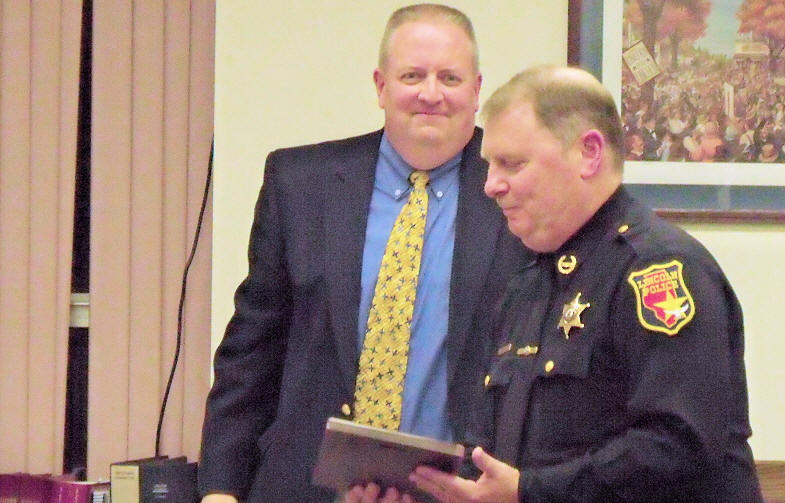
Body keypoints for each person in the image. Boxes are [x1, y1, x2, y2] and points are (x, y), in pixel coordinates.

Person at [197, 5, 527, 503]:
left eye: (450, 78)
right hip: (306, 490)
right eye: (413, 76)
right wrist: (221, 489)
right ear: (381, 86)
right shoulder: (301, 185)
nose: (431, 94)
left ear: (477, 90)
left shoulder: (518, 196)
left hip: (457, 493)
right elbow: (250, 357)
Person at [406, 66, 763, 502]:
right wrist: (424, 485)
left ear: (589, 154)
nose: (490, 185)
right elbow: (491, 452)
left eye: (512, 164)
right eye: (489, 165)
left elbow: (678, 445)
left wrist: (529, 492)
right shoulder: (528, 285)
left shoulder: (658, 271)